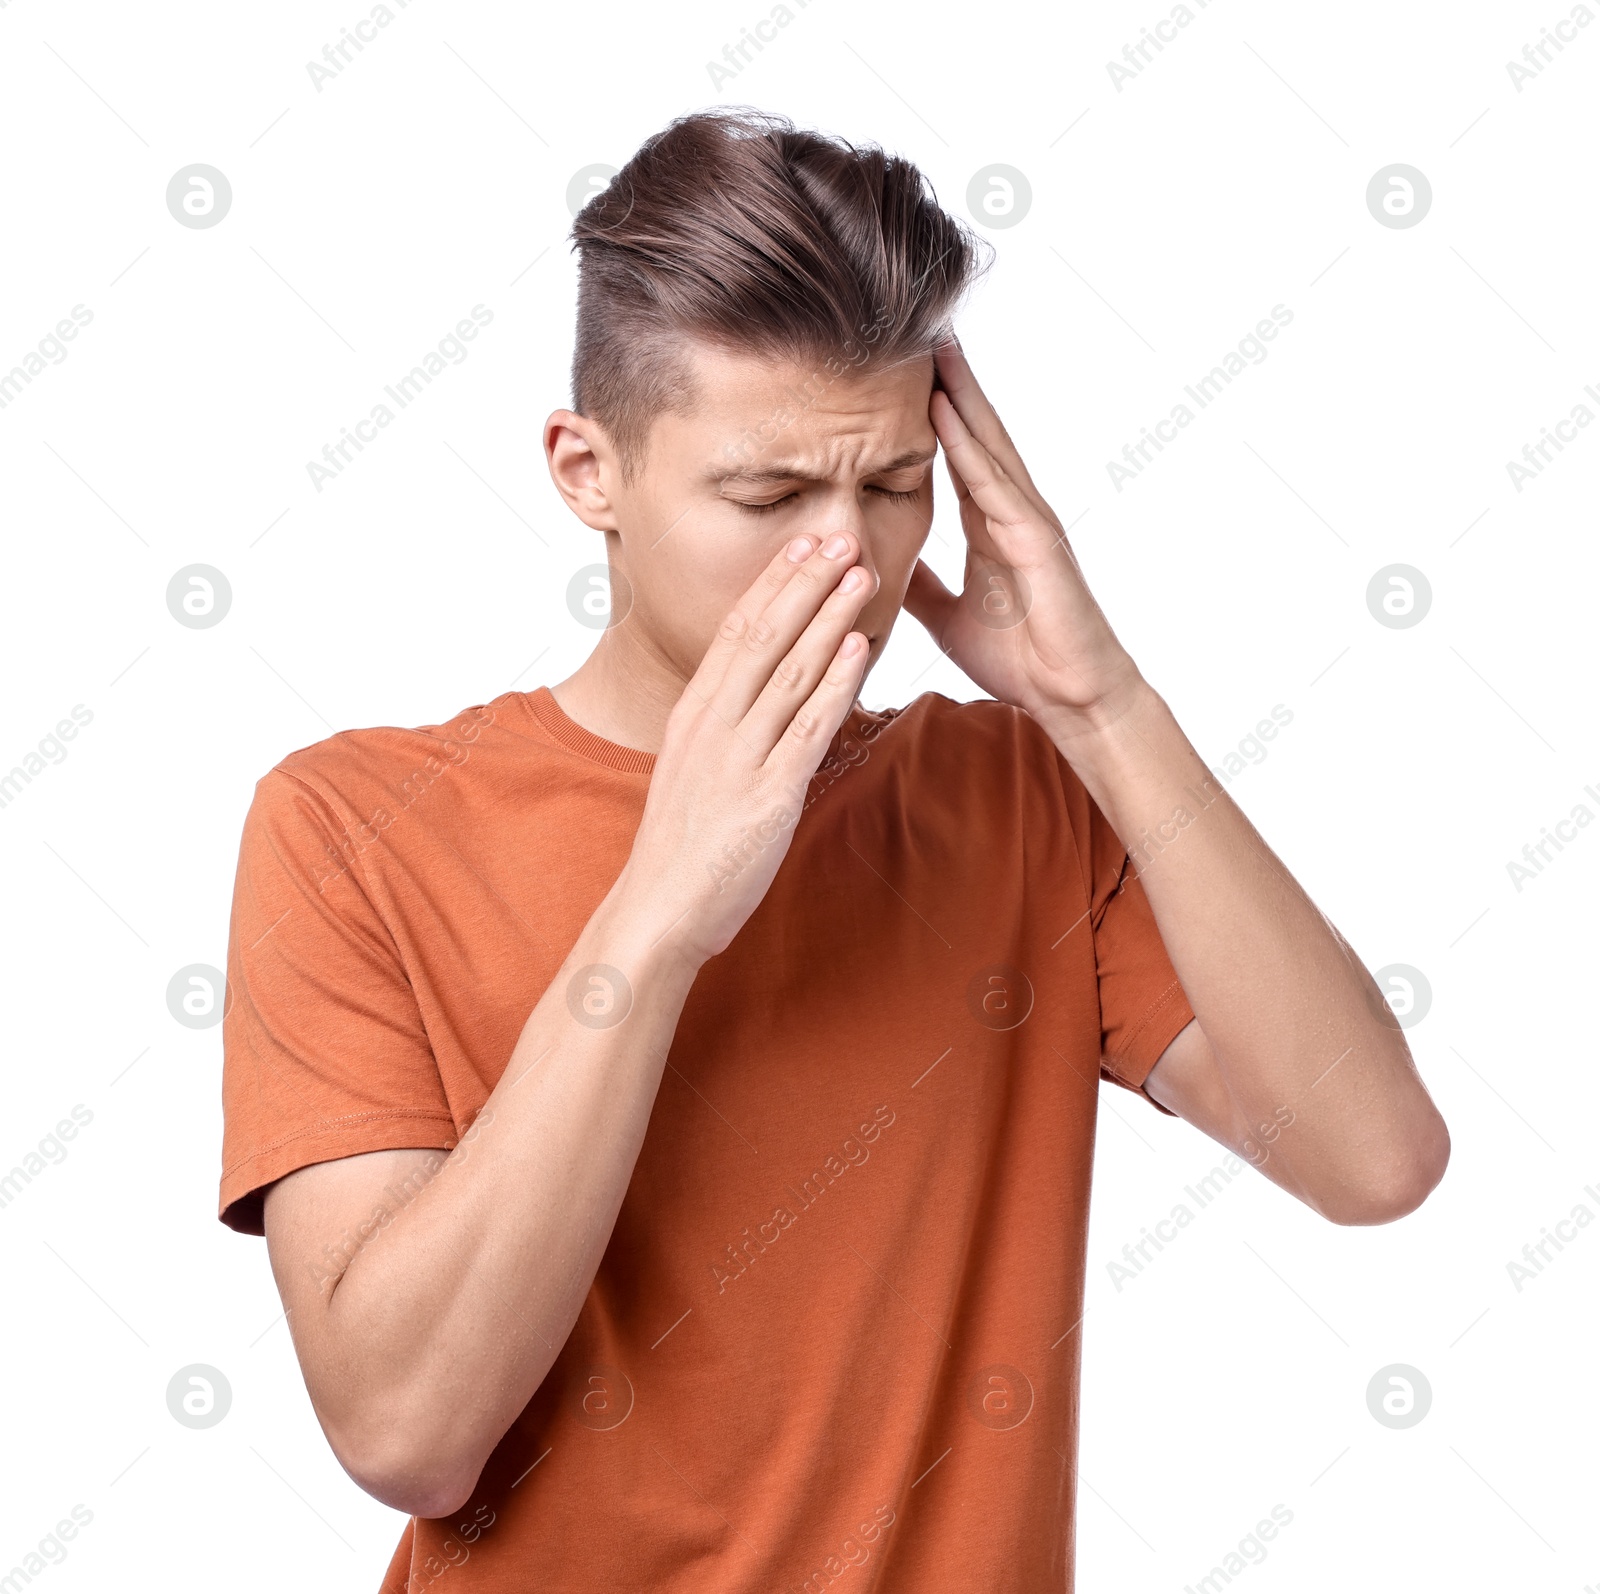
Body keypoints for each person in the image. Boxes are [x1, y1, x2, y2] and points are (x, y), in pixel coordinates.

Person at [218, 108, 1450, 1593]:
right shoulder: (352, 824)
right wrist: (660, 909)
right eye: (769, 495)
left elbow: (1375, 1157)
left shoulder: (1018, 799)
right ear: (585, 472)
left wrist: (1099, 700)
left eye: (889, 487)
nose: (848, 562)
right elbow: (407, 1430)